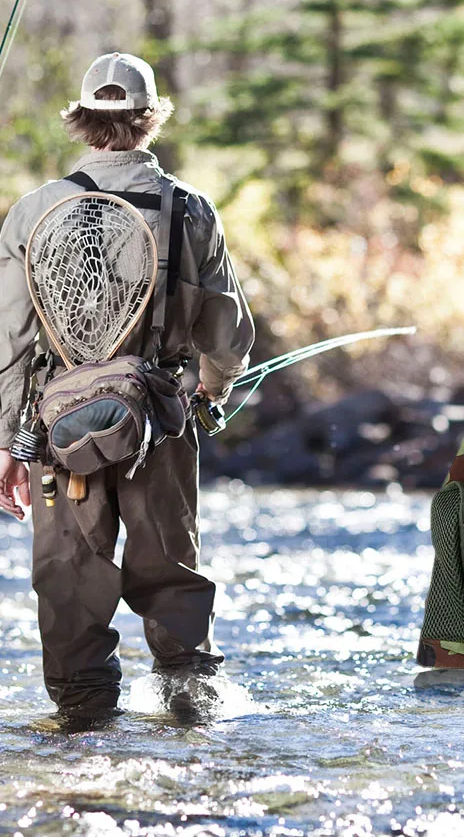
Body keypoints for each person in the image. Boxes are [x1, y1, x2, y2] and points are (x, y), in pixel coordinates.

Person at [0, 52, 255, 725]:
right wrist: (214, 393)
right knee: (169, 567)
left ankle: (83, 723)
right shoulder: (192, 209)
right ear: (149, 121)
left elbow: (10, 343)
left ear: (82, 121)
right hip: (160, 423)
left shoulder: (33, 211)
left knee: (68, 579)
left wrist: (7, 444)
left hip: (60, 436)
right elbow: (226, 332)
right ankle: (190, 709)